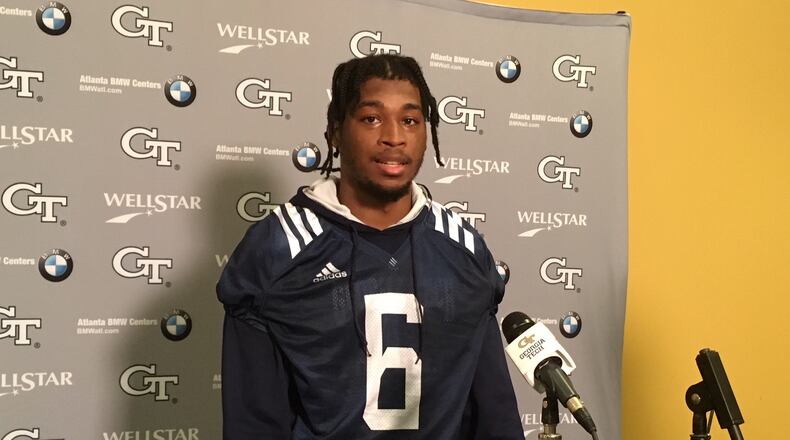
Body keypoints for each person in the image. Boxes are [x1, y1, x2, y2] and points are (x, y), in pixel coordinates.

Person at [217, 54, 523, 439]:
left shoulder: (462, 247)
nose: (394, 136)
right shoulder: (278, 250)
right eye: (371, 118)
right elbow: (254, 424)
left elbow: (494, 414)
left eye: (410, 120)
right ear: (334, 132)